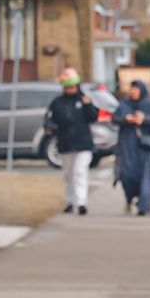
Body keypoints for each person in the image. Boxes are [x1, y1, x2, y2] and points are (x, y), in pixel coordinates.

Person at [43, 67, 99, 215]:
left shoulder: (84, 99)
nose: (69, 89)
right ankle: (70, 201)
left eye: (72, 87)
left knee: (79, 172)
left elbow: (94, 117)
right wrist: (49, 126)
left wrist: (88, 105)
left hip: (83, 143)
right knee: (68, 174)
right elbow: (49, 118)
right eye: (67, 87)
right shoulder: (58, 102)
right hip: (65, 143)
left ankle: (81, 202)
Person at [115, 80, 150, 216]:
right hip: (127, 145)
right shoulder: (124, 104)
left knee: (145, 176)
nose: (134, 92)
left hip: (144, 146)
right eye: (132, 89)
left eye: (136, 89)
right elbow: (115, 118)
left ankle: (144, 206)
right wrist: (126, 118)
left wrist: (144, 119)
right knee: (127, 176)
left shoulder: (149, 104)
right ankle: (130, 198)